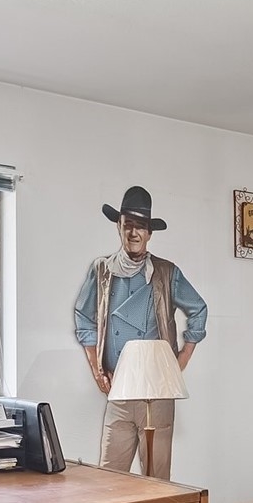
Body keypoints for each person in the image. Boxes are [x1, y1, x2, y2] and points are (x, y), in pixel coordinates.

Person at [72, 186, 208, 480]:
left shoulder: (167, 272)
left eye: (141, 227)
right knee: (109, 478)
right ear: (119, 228)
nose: (134, 233)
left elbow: (199, 309)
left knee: (157, 481)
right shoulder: (101, 270)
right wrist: (97, 369)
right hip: (118, 391)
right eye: (128, 225)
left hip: (157, 392)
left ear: (149, 233)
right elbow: (84, 316)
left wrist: (181, 359)